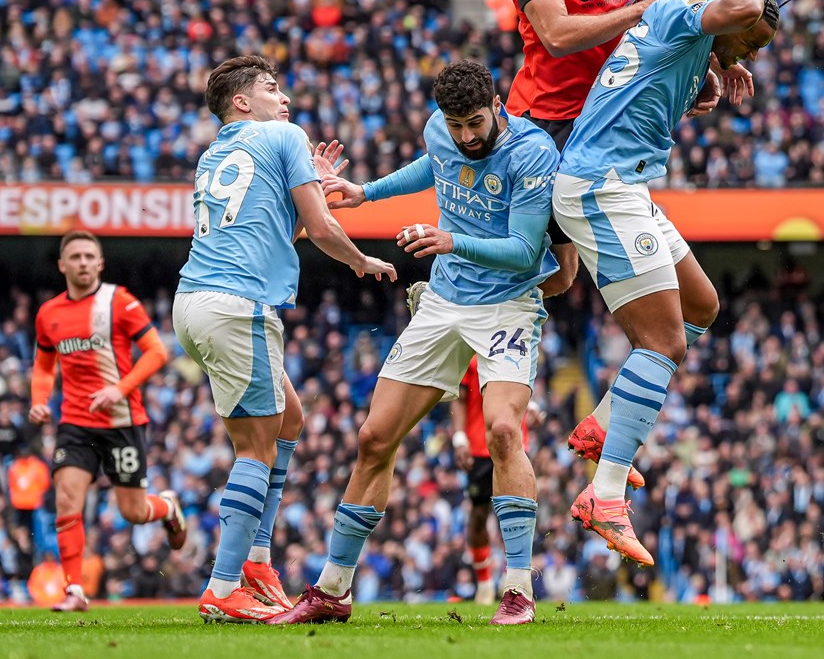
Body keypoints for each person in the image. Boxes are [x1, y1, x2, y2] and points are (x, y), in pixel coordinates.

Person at [268, 60, 557, 627]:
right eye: (456, 124)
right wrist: (365, 193)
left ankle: (518, 588)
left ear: (497, 106)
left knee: (502, 428)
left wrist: (451, 239)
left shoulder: (532, 153)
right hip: (444, 303)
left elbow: (526, 252)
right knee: (374, 438)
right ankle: (333, 589)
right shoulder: (441, 132)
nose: (467, 136)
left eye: (476, 122)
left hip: (507, 304)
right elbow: (436, 166)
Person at [505, 0, 725, 484]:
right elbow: (557, 34)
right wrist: (640, 13)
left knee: (689, 308)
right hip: (545, 129)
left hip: (607, 129)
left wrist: (699, 69)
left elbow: (658, 9)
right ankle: (447, 296)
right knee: (561, 278)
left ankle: (607, 423)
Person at [552, 0, 777, 564]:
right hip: (604, 187)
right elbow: (743, 5)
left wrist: (708, 74)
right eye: (749, 44)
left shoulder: (685, 36)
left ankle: (602, 422)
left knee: (703, 306)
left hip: (624, 186)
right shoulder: (683, 10)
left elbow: (682, 61)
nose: (749, 55)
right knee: (665, 344)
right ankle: (603, 495)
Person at [174, 55, 396, 623]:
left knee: (289, 419)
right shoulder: (283, 135)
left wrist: (312, 188)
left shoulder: (216, 152)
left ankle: (258, 562)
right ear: (241, 101)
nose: (286, 99)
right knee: (254, 449)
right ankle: (224, 589)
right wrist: (362, 261)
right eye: (273, 89)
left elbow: (284, 228)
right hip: (237, 305)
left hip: (195, 302)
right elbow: (319, 228)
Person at [29, 229, 185, 612]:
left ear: (100, 263)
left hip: (122, 420)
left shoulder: (120, 302)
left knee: (132, 512)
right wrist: (38, 400)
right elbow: (44, 365)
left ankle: (167, 507)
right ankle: (75, 591)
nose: (82, 262)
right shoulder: (49, 313)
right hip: (75, 423)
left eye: (89, 256)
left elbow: (156, 352)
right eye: (75, 256)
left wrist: (120, 388)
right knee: (67, 499)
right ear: (62, 264)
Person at [450, 357, 540, 605]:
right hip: (479, 446)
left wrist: (532, 409)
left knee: (515, 512)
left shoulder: (519, 346)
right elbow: (459, 396)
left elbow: (523, 391)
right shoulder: (471, 355)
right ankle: (485, 582)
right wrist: (459, 437)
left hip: (514, 445)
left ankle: (513, 578)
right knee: (479, 515)